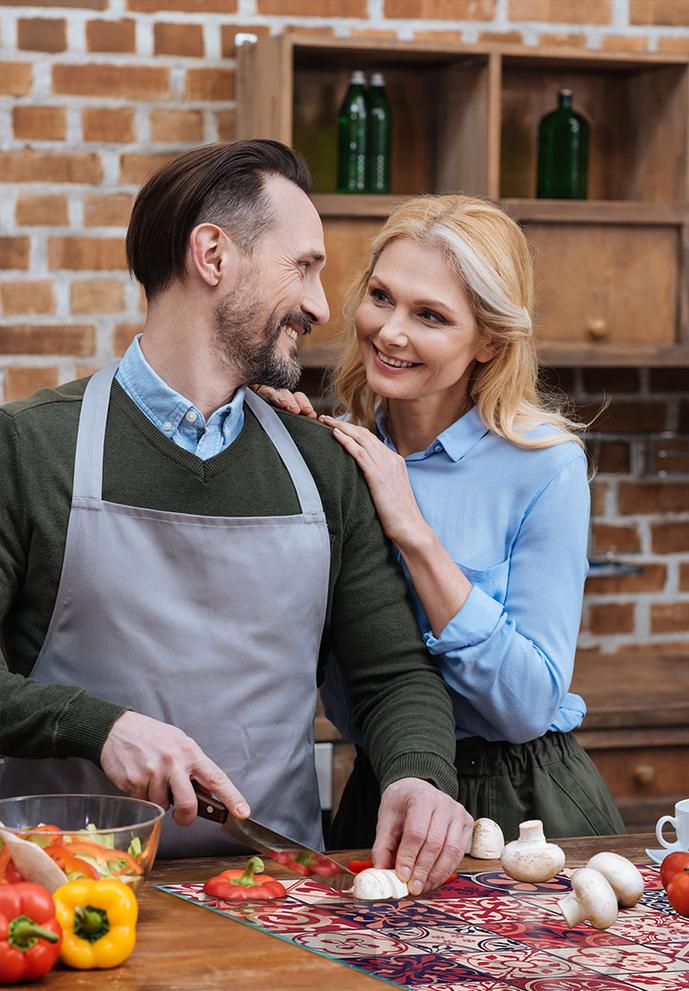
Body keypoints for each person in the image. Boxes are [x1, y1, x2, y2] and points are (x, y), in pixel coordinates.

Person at [0, 142, 474, 893]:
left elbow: (390, 674)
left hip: (274, 892)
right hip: (62, 895)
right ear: (213, 255)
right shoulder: (29, 447)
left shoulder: (321, 466)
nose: (322, 307)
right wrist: (102, 725)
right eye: (303, 267)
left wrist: (417, 773)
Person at [260, 193, 625, 847]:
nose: (390, 331)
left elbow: (524, 706)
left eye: (429, 315)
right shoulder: (334, 453)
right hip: (381, 790)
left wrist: (414, 533)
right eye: (380, 296)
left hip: (521, 802)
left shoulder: (543, 466)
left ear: (487, 340)